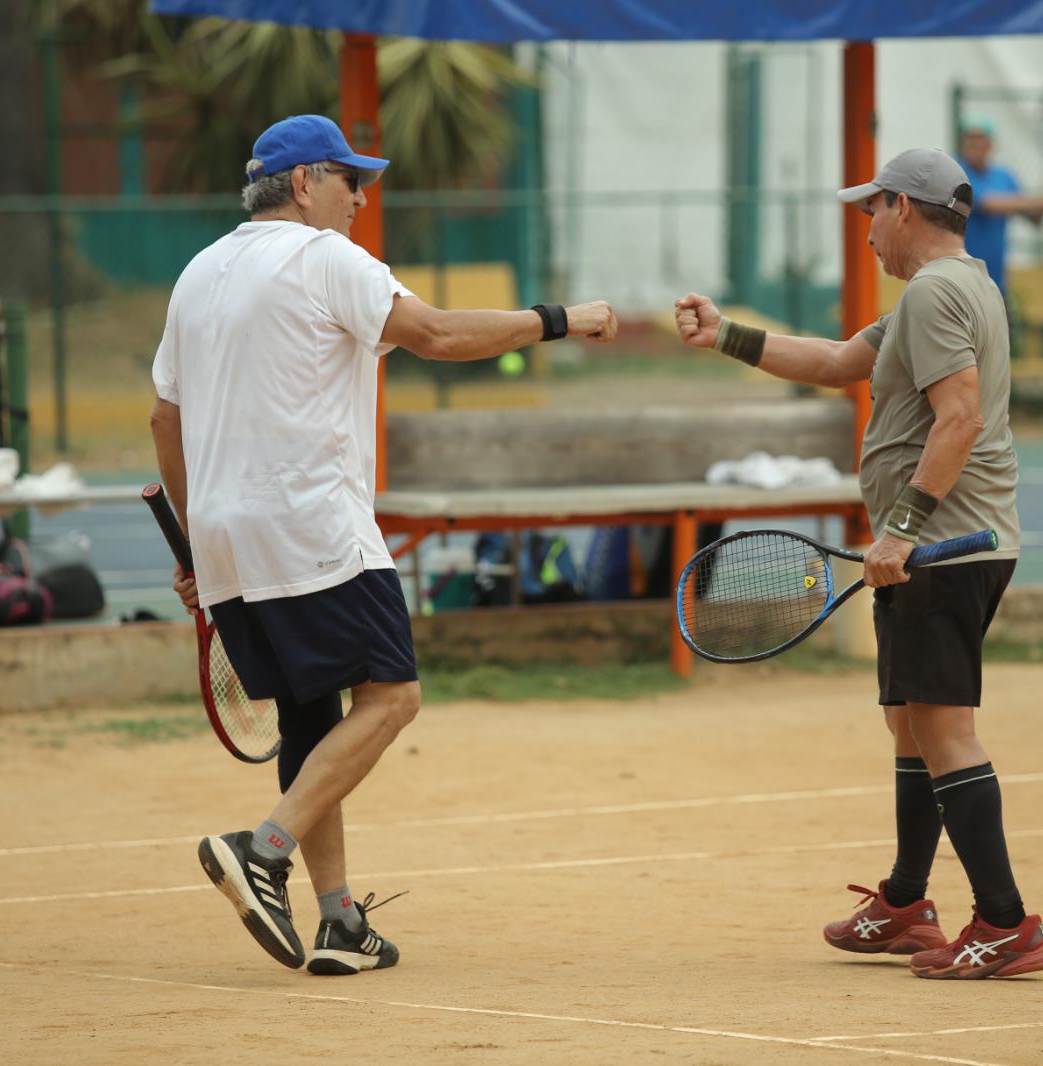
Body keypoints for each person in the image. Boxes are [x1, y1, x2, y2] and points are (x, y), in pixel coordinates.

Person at [150, 114, 617, 975]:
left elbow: (164, 420)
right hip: (310, 524)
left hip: (225, 538)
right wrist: (559, 319)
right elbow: (437, 336)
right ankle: (263, 851)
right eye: (348, 179)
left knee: (308, 714)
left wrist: (193, 549)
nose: (362, 197)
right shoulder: (324, 258)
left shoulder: (199, 273)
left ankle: (339, 923)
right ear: (302, 185)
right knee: (393, 697)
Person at [673, 147, 1043, 979]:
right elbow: (841, 362)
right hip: (940, 545)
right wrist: (724, 335)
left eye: (870, 211)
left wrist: (902, 529)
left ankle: (1006, 924)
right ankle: (907, 902)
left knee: (945, 728)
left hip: (943, 547)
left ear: (905, 209)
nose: (867, 229)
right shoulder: (954, 289)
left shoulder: (937, 293)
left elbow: (958, 418)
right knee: (911, 722)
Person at [957, 116, 1043, 296]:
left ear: (991, 145)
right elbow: (990, 204)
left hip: (996, 284)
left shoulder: (1004, 176)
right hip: (961, 284)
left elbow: (1035, 217)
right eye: (970, 138)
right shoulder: (957, 172)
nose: (975, 144)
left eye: (980, 139)